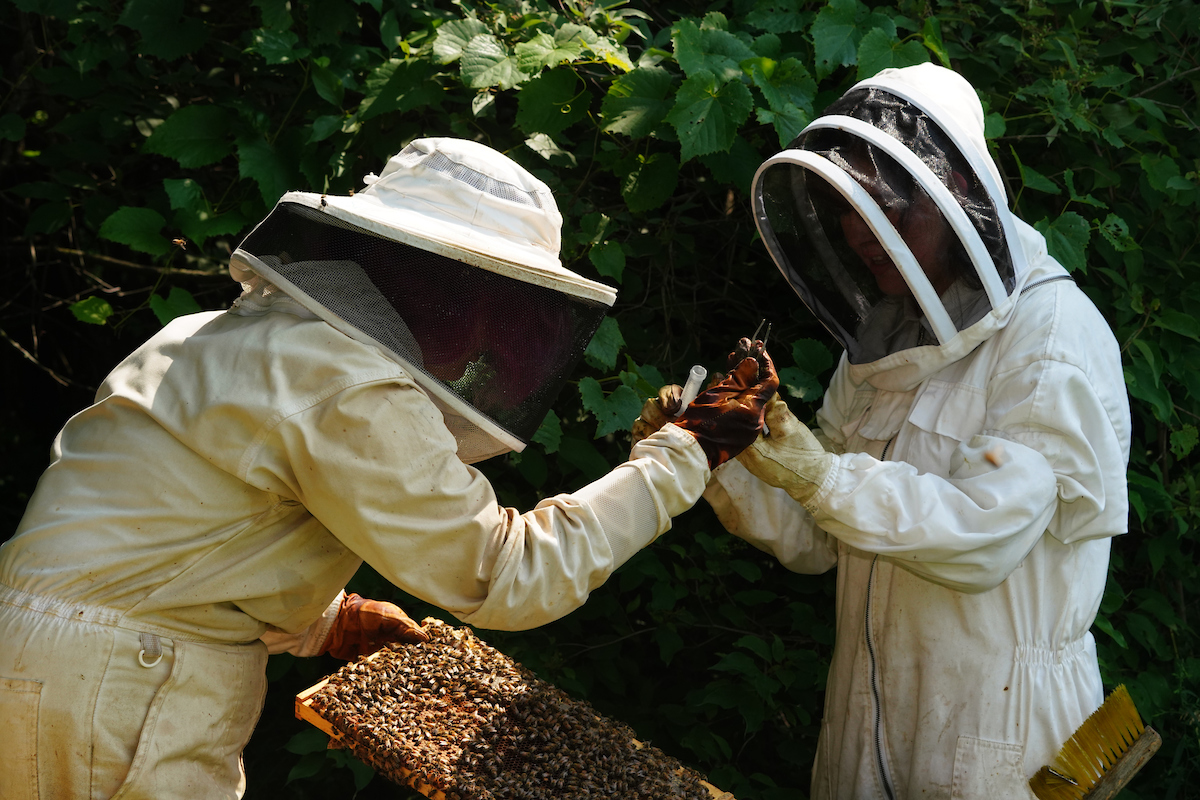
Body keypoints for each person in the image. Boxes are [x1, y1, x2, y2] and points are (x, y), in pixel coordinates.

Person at [0, 137, 777, 799]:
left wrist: (326, 620)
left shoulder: (210, 335)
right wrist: (685, 454)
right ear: (447, 286)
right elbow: (510, 573)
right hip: (117, 686)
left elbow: (163, 540)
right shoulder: (349, 383)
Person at [640, 63, 1131, 798]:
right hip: (864, 724)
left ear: (958, 189)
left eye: (888, 205)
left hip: (1006, 745)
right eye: (848, 207)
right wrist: (724, 455)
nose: (863, 232)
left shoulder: (1051, 339)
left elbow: (986, 535)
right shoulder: (885, 340)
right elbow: (820, 539)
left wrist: (819, 472)